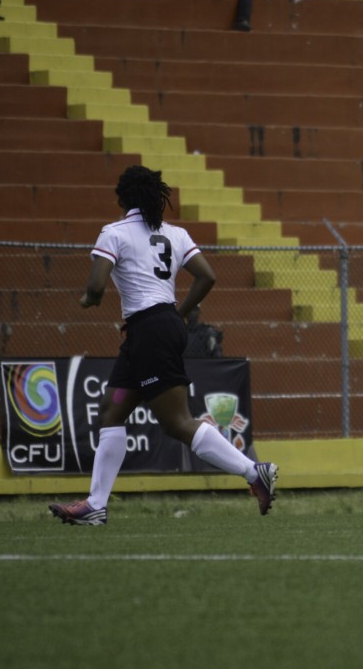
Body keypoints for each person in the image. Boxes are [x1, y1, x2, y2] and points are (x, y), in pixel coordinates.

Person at [48, 165, 277, 526]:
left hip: (148, 331)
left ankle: (253, 472)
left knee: (176, 423)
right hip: (153, 329)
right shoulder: (176, 233)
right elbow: (207, 276)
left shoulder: (114, 233)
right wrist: (178, 315)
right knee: (112, 409)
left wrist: (88, 300)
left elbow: (95, 287)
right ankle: (96, 505)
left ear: (122, 199)